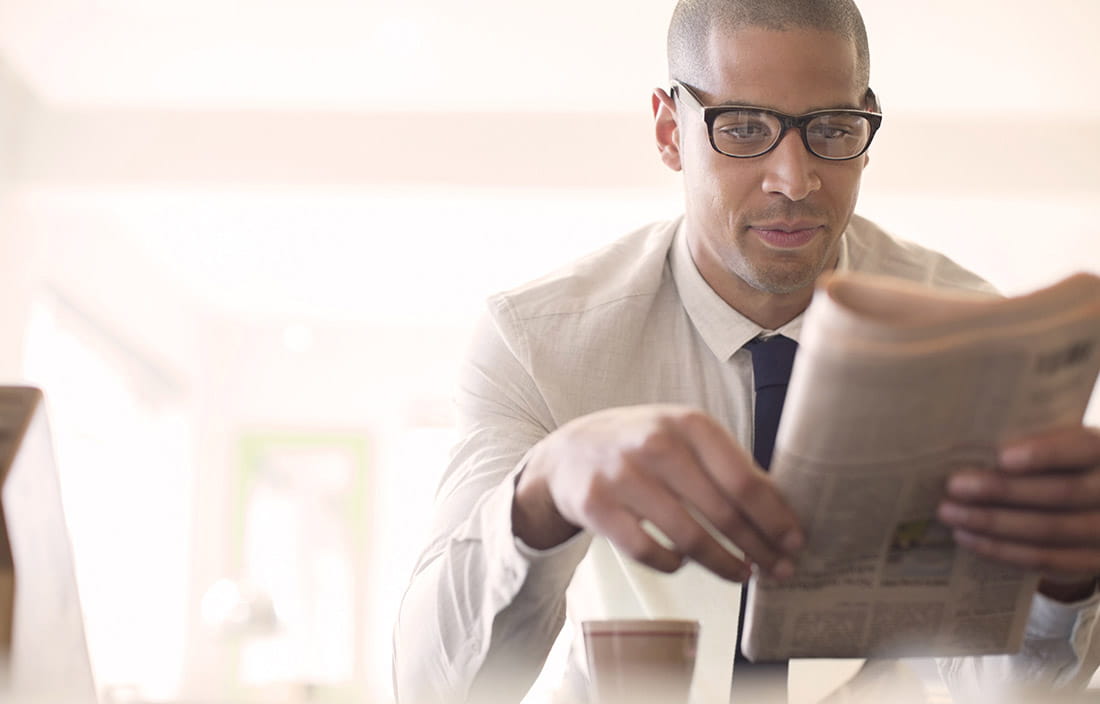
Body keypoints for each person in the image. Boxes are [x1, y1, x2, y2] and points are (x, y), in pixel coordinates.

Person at [392, 0, 1100, 702]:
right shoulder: (538, 342)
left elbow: (1007, 689)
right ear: (671, 131)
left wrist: (1068, 583)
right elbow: (433, 687)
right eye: (743, 127)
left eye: (830, 128)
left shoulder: (970, 334)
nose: (794, 181)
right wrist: (542, 488)